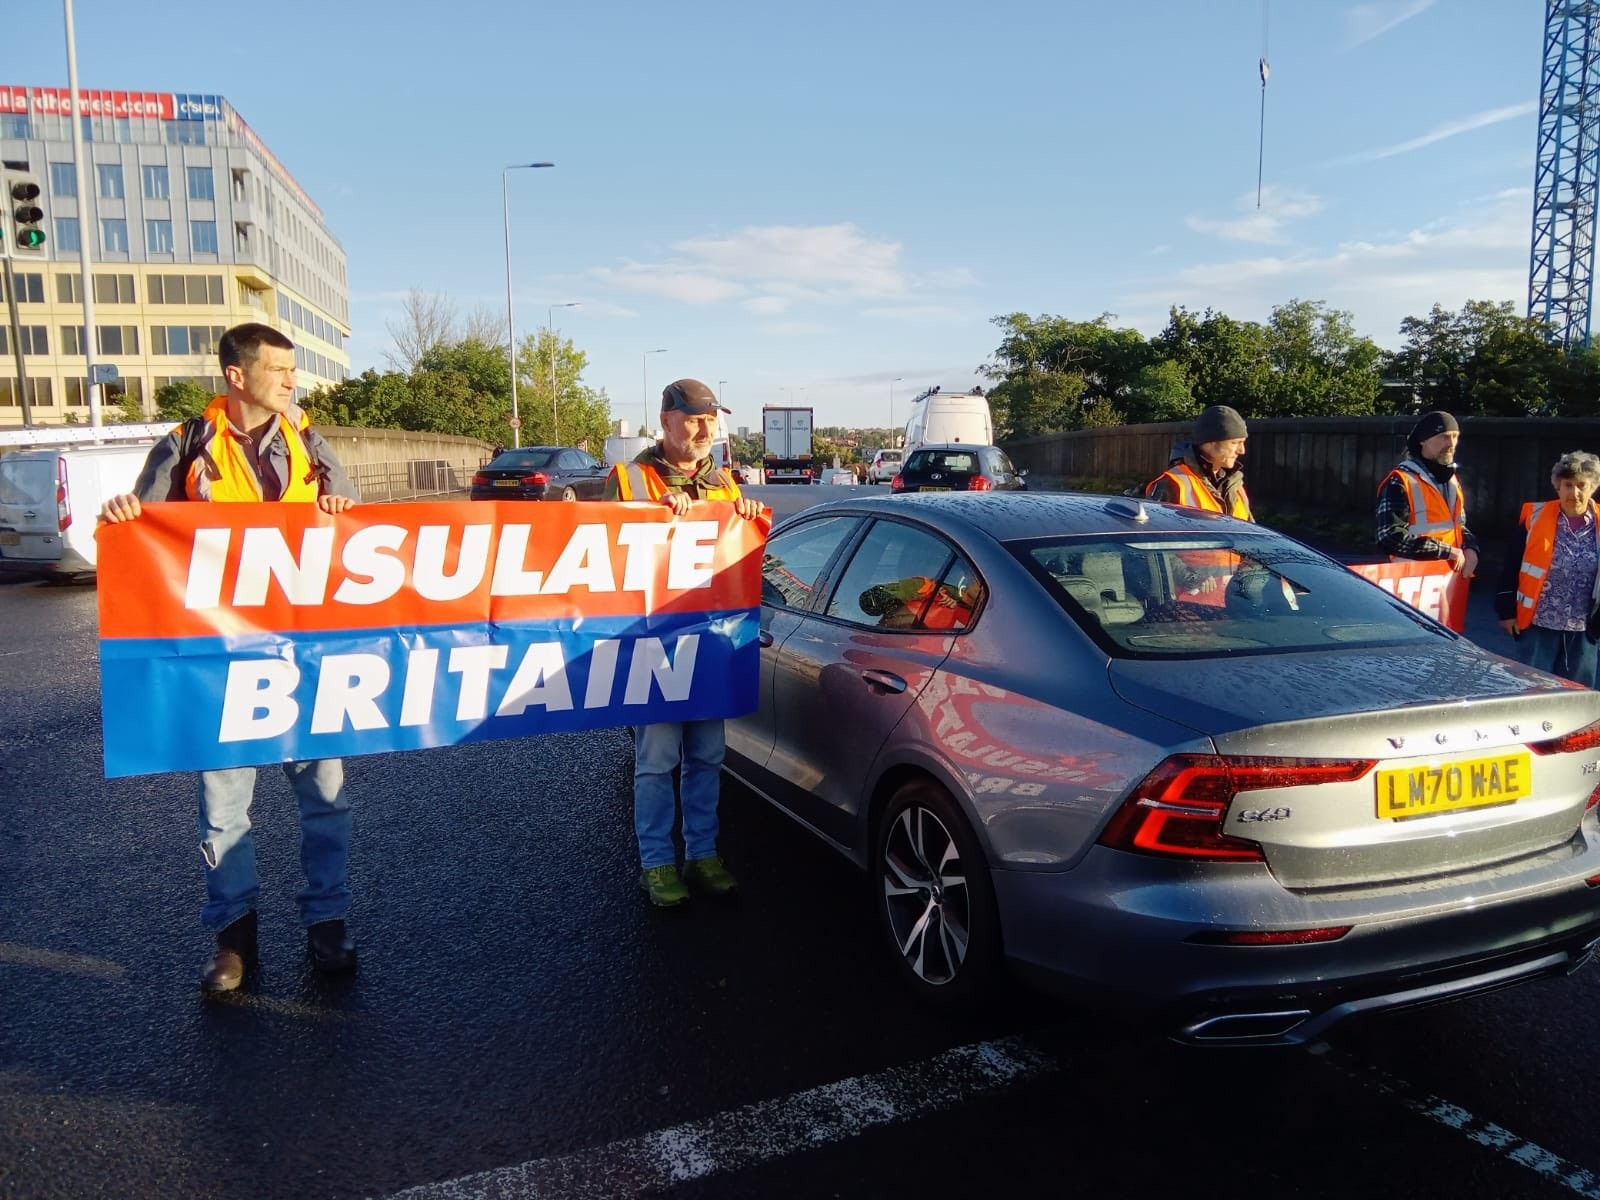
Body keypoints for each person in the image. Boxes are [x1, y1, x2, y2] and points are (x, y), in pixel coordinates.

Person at [98, 323, 361, 991]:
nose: (291, 381)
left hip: (310, 657)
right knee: (223, 809)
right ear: (237, 376)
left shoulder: (308, 440)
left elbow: (352, 521)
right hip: (222, 663)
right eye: (278, 369)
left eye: (293, 370)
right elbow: (146, 540)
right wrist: (125, 513)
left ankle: (326, 925)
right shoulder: (186, 446)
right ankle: (232, 939)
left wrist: (339, 507)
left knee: (326, 800)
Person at [603, 378, 765, 908]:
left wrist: (745, 520)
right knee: (657, 759)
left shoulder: (725, 485)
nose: (704, 430)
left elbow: (734, 563)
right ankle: (656, 863)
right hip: (651, 643)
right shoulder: (629, 479)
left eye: (710, 419)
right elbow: (597, 558)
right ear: (666, 419)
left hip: (710, 643)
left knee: (707, 755)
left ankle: (703, 853)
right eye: (694, 418)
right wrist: (648, 519)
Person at [1494, 451, 1600, 686]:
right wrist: (1505, 611)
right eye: (1568, 485)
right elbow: (1511, 565)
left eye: (1582, 485)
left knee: (1577, 697)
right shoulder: (1535, 517)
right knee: (1530, 691)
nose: (1575, 493)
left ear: (1593, 487)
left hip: (1583, 629)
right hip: (1538, 624)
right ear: (1557, 487)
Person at [1376, 410, 1479, 578]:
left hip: (1448, 579)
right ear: (1423, 441)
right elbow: (1389, 537)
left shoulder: (1451, 480)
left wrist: (1471, 548)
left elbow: (1458, 526)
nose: (1451, 443)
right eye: (1443, 437)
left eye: (1455, 436)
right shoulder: (1401, 480)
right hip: (1411, 580)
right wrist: (1447, 552)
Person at [1144, 405, 1253, 520]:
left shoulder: (1235, 486)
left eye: (1243, 442)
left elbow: (1254, 534)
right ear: (1210, 442)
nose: (1242, 451)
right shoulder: (1172, 484)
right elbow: (1153, 532)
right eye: (1235, 443)